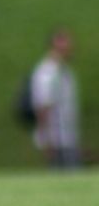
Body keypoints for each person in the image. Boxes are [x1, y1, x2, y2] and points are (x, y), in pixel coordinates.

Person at [29, 29, 83, 168]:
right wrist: (46, 140)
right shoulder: (47, 73)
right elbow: (42, 107)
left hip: (68, 138)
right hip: (57, 140)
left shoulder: (66, 72)